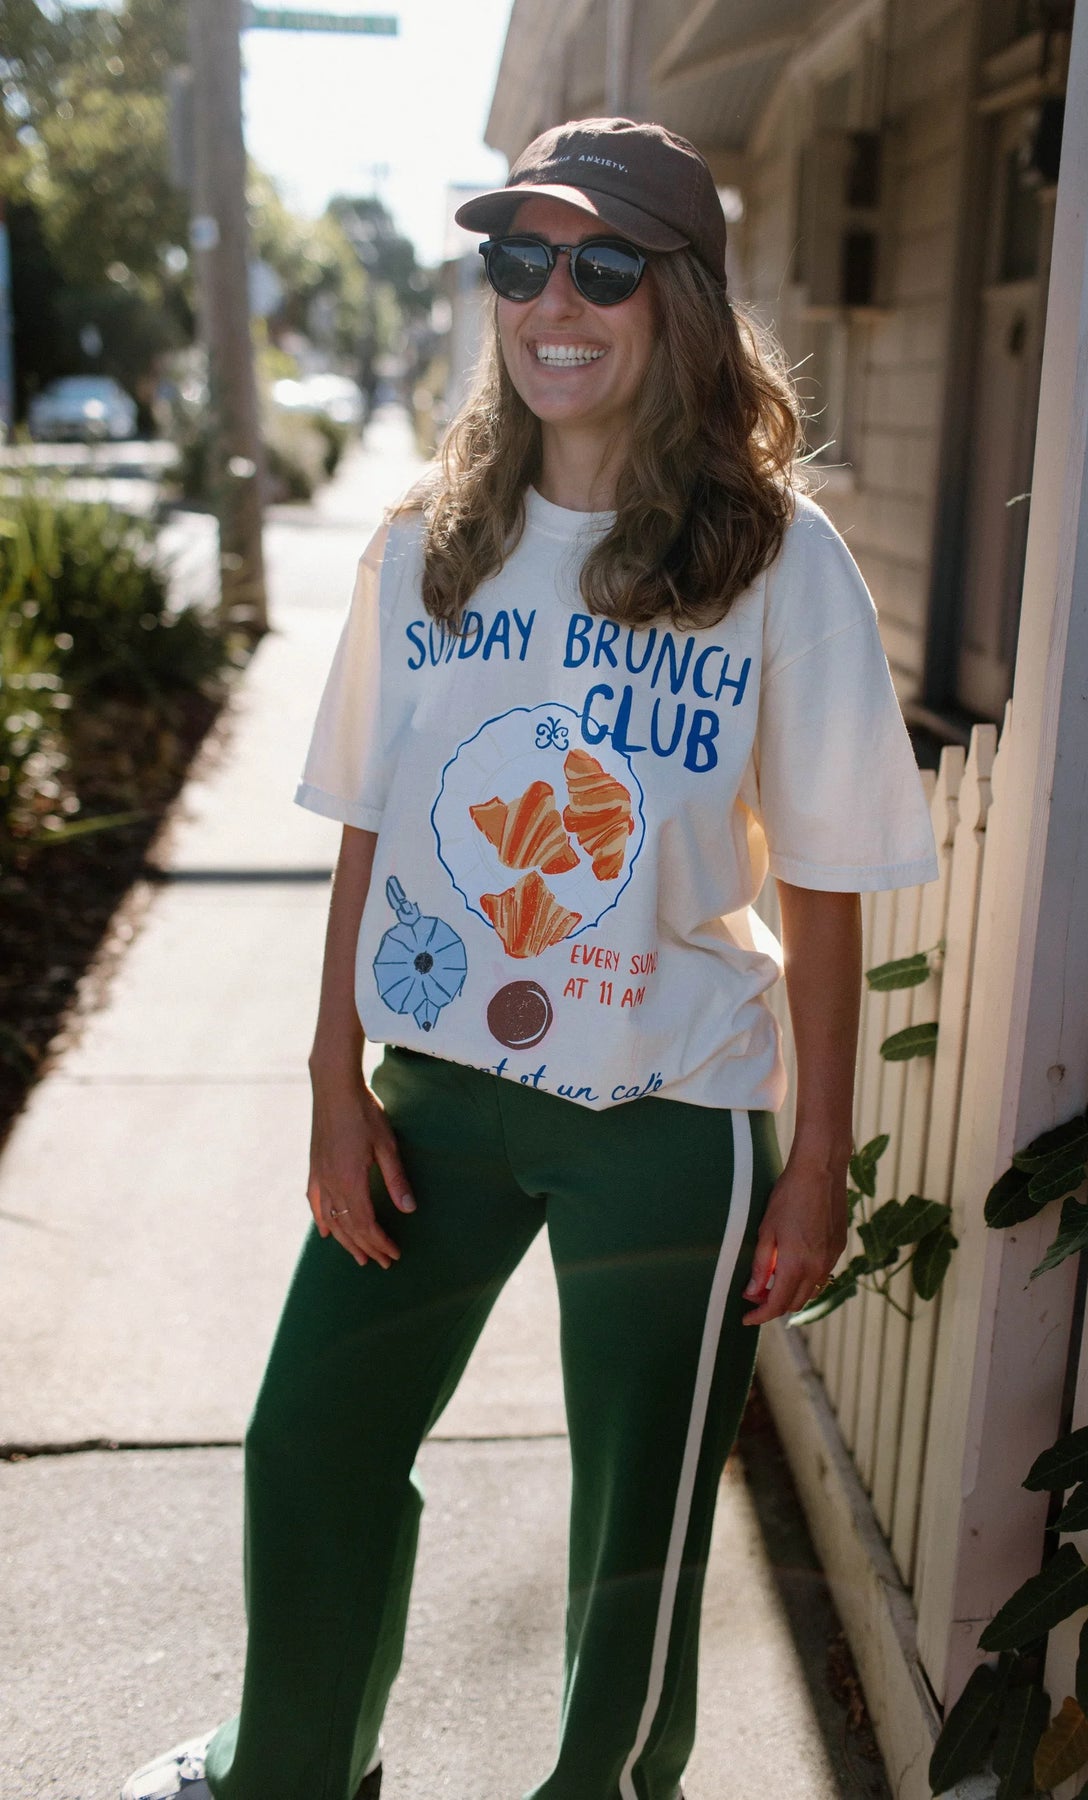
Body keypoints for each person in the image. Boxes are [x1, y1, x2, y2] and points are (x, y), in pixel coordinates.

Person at [122, 117, 939, 1800]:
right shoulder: (429, 539)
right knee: (313, 1443)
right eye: (519, 259)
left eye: (603, 265)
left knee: (631, 1538)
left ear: (680, 299)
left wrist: (825, 1159)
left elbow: (838, 887)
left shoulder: (778, 566)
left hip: (669, 1107)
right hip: (435, 1095)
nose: (553, 302)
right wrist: (333, 1078)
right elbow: (367, 816)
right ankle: (288, 1769)